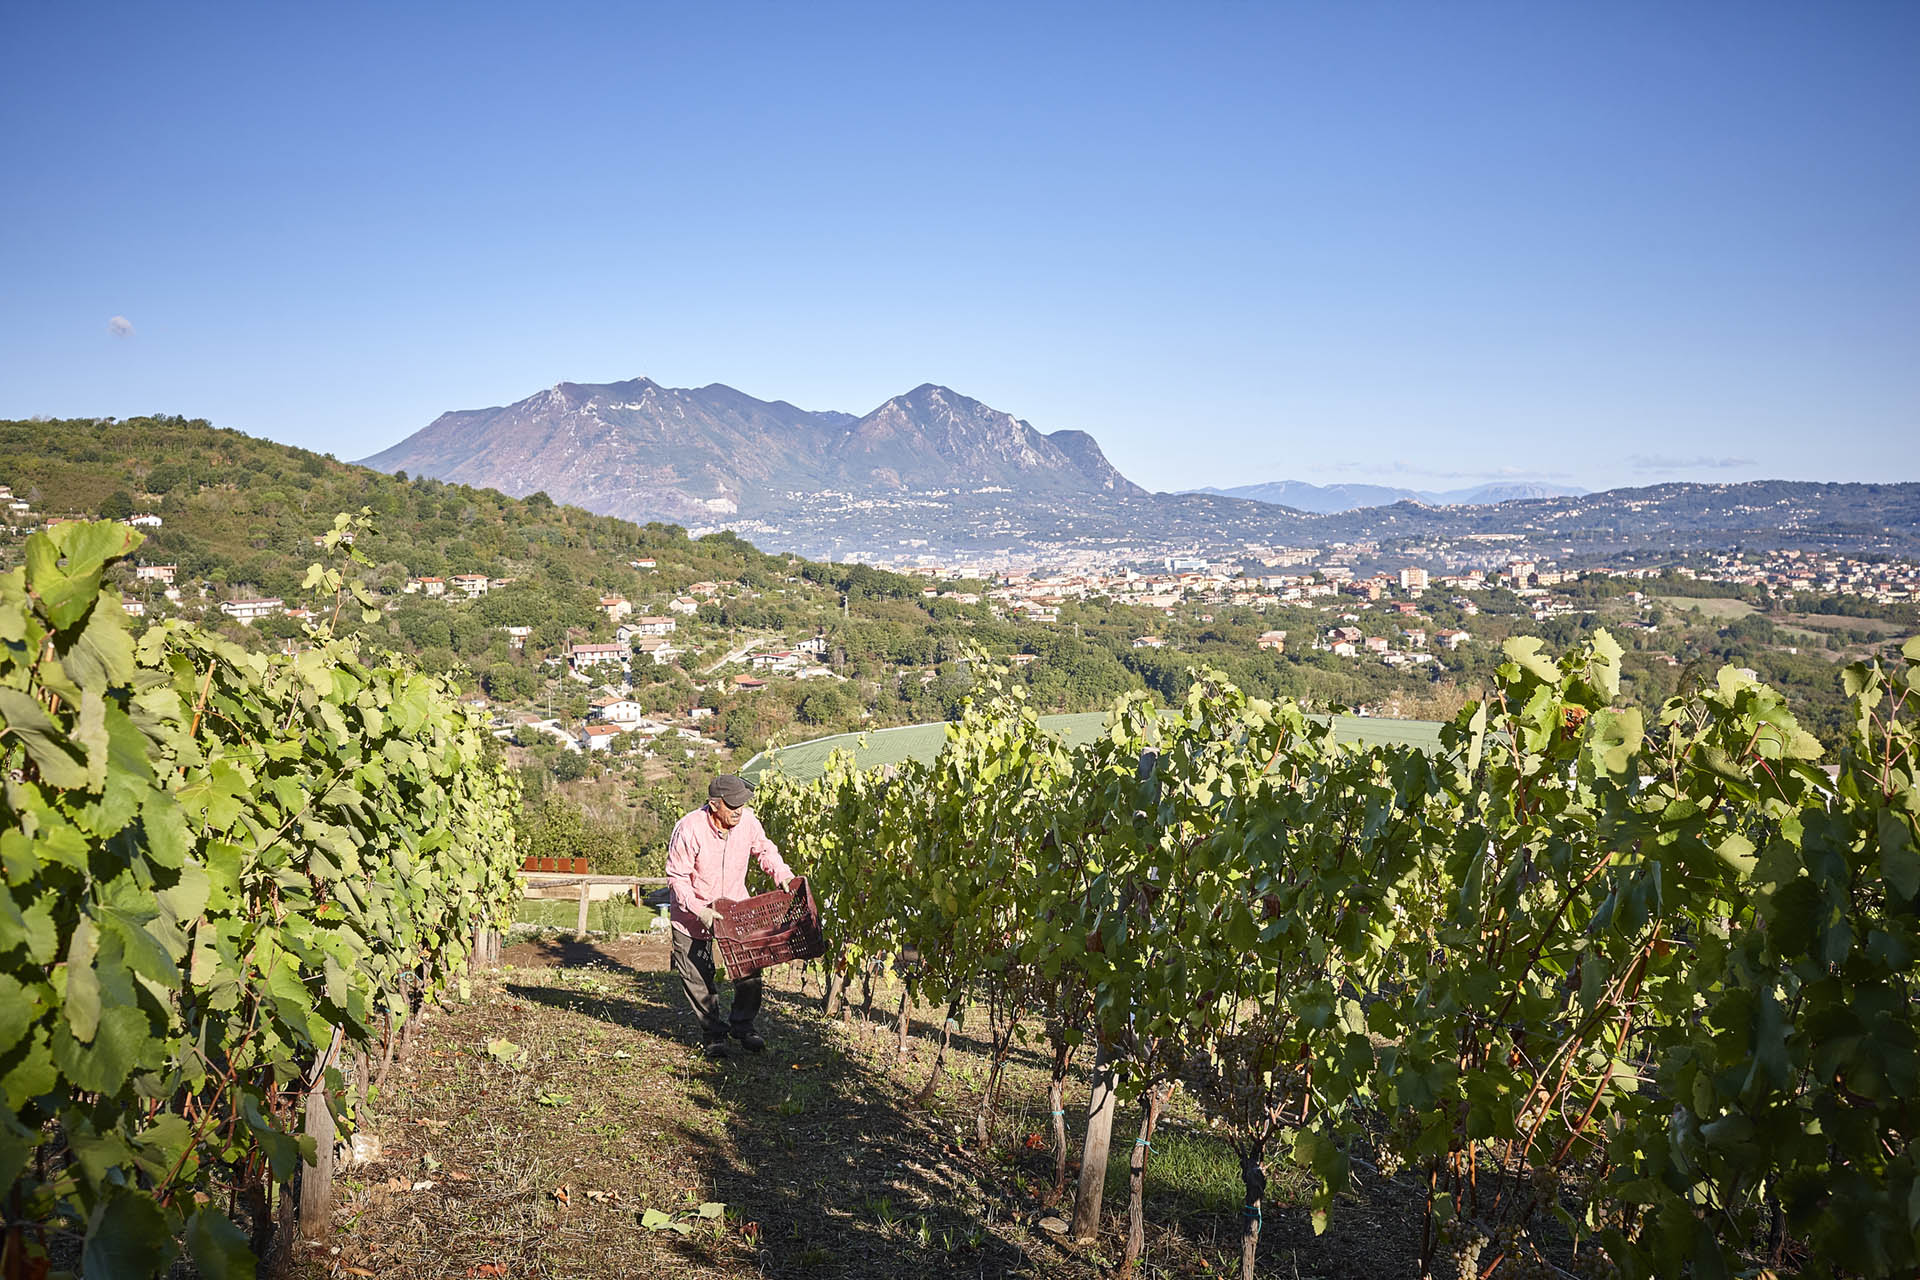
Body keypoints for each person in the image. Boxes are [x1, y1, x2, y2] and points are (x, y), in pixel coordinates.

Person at [665, 774, 796, 1057]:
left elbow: (764, 849)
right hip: (693, 913)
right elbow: (677, 878)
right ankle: (714, 1034)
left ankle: (743, 1026)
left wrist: (782, 875)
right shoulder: (689, 829)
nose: (738, 810)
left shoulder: (747, 821)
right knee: (698, 976)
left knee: (749, 971)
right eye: (732, 804)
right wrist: (700, 910)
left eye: (742, 803)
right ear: (714, 805)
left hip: (736, 909)